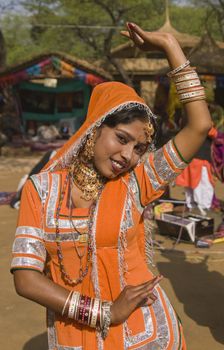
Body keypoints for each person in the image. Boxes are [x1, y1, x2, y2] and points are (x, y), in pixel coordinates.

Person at [11, 23, 212, 350]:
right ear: (95, 128)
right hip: (77, 333)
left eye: (138, 148)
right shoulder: (42, 189)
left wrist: (170, 46)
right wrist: (104, 312)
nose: (127, 155)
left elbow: (200, 125)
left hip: (145, 332)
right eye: (121, 139)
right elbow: (26, 279)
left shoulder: (137, 180)